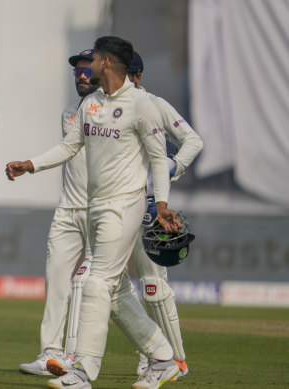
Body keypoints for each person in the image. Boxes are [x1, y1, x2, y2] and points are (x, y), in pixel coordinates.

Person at [6, 36, 182, 389]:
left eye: (95, 59)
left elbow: (159, 160)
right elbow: (70, 146)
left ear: (107, 63)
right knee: (114, 293)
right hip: (95, 205)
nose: (87, 67)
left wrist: (161, 204)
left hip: (124, 206)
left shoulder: (142, 105)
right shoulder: (91, 106)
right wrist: (31, 165)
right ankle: (163, 358)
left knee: (94, 283)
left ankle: (83, 371)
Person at [18, 49, 98, 376]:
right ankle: (50, 353)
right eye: (77, 71)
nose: (80, 75)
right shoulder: (68, 113)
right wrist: (30, 165)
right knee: (57, 281)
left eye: (87, 71)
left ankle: (154, 354)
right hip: (68, 210)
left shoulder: (118, 111)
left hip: (103, 212)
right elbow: (67, 151)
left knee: (103, 291)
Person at [127, 51, 203, 380]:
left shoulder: (154, 105)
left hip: (146, 207)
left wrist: (170, 168)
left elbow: (192, 140)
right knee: (101, 286)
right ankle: (152, 353)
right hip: (112, 206)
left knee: (153, 286)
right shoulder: (100, 107)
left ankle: (175, 359)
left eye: (124, 72)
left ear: (137, 76)